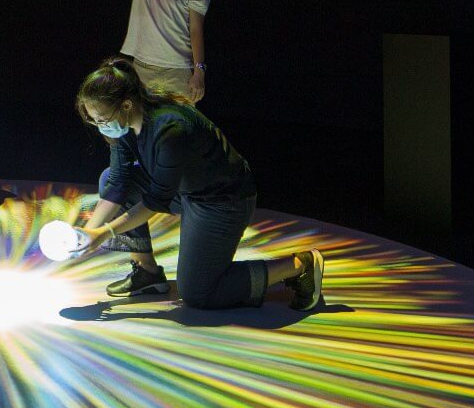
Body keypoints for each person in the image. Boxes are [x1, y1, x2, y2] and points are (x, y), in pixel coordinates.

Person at [73, 58, 324, 311]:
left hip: (222, 199)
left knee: (198, 293)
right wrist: (85, 234)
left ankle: (299, 266)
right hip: (185, 191)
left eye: (102, 119)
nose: (101, 127)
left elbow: (156, 200)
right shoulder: (125, 126)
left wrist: (104, 233)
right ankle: (146, 272)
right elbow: (118, 183)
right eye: (95, 121)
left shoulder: (170, 128)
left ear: (126, 105)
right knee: (109, 177)